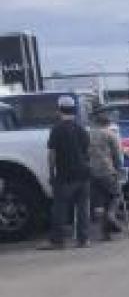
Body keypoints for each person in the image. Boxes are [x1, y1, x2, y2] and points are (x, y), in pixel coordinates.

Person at [40, 96, 91, 249]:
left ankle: (57, 241)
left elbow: (52, 154)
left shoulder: (57, 129)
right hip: (84, 174)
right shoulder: (81, 129)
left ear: (59, 110)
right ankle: (83, 240)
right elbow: (87, 152)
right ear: (74, 109)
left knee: (59, 208)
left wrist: (51, 173)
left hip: (65, 175)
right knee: (83, 208)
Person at [87, 105, 127, 240]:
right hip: (106, 170)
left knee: (101, 201)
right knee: (116, 196)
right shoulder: (110, 134)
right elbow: (117, 155)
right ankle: (111, 215)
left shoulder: (87, 134)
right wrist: (120, 171)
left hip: (91, 172)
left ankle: (105, 233)